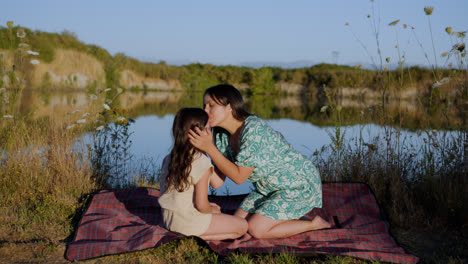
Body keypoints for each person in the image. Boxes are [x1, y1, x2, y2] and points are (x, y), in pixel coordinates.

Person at [188, 84, 331, 239]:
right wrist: (198, 154)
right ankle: (284, 217)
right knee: (237, 224)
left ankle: (314, 224)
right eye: (204, 106)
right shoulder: (221, 135)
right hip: (267, 189)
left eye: (211, 106)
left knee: (256, 229)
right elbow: (217, 182)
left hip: (297, 184)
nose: (205, 111)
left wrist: (209, 148)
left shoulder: (254, 129)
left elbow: (239, 177)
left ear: (229, 107)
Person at [158, 107, 248, 240]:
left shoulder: (170, 157)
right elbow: (200, 205)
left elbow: (216, 183)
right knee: (243, 226)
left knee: (226, 221)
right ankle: (194, 236)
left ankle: (197, 235)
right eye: (208, 128)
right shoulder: (200, 161)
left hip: (169, 220)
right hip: (187, 222)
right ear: (203, 132)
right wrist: (212, 210)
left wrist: (209, 149)